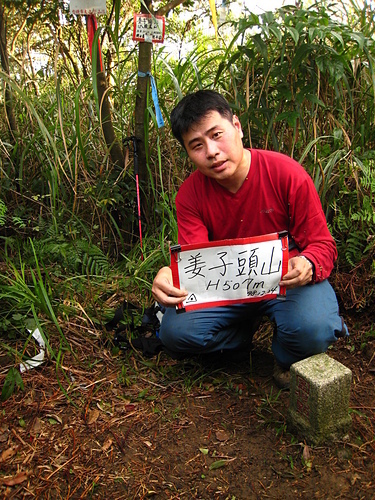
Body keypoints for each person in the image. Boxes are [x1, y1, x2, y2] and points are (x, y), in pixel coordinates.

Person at [151, 90, 348, 388]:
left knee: (314, 328)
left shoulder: (287, 174)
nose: (212, 151)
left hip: (284, 281)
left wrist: (308, 262)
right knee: (176, 334)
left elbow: (322, 244)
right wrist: (171, 272)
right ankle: (240, 334)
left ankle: (286, 354)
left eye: (217, 134)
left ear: (237, 127)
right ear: (189, 153)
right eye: (197, 145)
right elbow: (196, 260)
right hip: (225, 289)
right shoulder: (190, 195)